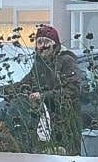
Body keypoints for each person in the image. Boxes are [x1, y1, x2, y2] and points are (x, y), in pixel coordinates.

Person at [8, 23, 82, 154]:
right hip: (46, 125)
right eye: (39, 42)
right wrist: (0, 90)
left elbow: (72, 90)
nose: (43, 46)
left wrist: (43, 96)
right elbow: (24, 85)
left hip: (66, 122)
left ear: (55, 44)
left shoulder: (66, 61)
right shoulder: (39, 66)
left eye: (46, 41)